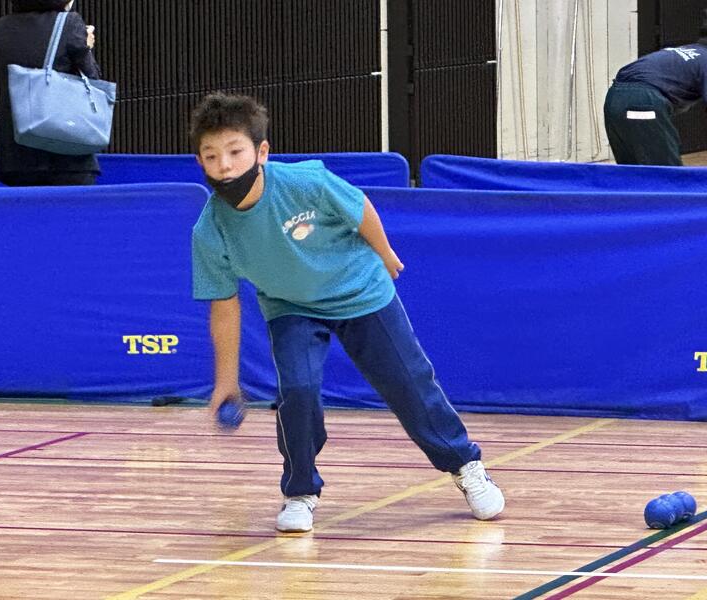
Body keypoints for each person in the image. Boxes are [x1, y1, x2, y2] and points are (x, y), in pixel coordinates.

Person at [190, 93, 505, 533]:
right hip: (291, 306)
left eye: (234, 152)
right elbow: (224, 307)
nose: (224, 166)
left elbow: (358, 208)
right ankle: (300, 491)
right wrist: (226, 381)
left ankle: (465, 465)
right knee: (297, 390)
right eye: (211, 156)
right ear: (200, 162)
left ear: (261, 152)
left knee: (409, 384)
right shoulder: (209, 230)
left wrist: (385, 253)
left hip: (360, 293)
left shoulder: (305, 183)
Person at [0, 0, 102, 186]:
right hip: (64, 152)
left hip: (14, 154)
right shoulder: (69, 22)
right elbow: (93, 80)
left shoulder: (2, 26)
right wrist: (86, 48)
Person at [604, 12, 707, 166]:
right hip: (643, 100)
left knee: (632, 171)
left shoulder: (690, 51)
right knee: (667, 173)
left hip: (614, 99)